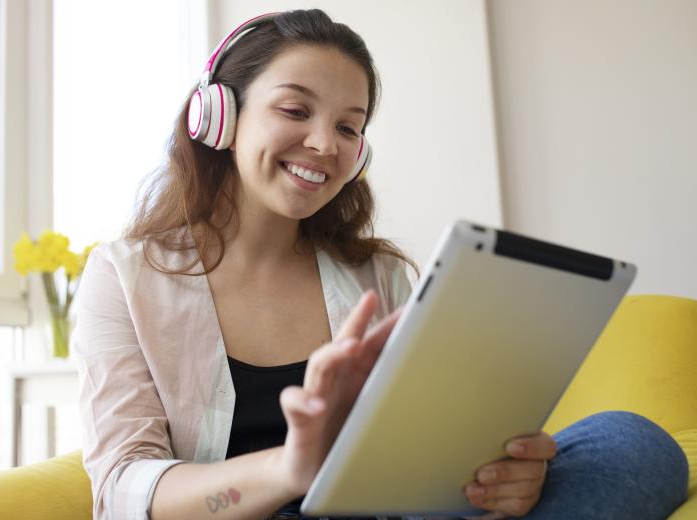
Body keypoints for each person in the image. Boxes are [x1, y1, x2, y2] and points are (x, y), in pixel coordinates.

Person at [73, 9, 688, 520]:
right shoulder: (125, 277)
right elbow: (124, 487)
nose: (325, 144)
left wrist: (499, 474)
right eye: (295, 110)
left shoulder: (380, 275)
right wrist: (291, 470)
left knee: (631, 443)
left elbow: (430, 451)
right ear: (219, 117)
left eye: (349, 126)